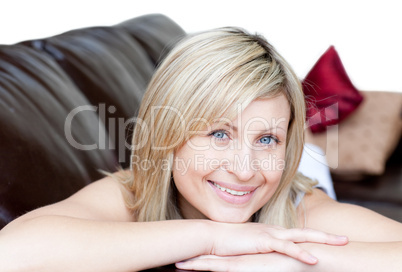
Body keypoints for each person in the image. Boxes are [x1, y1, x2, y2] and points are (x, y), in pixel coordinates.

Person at [0, 27, 401, 272]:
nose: (244, 170)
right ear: (167, 135)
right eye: (218, 134)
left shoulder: (301, 204)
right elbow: (11, 255)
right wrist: (212, 238)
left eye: (266, 139)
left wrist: (297, 260)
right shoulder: (131, 192)